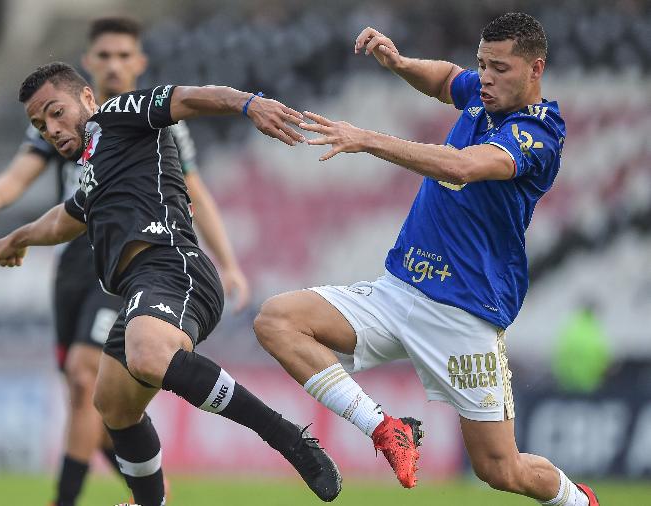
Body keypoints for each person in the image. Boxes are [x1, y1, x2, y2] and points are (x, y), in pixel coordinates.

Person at [253, 12, 601, 506]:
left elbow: (462, 166)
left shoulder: (537, 134)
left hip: (464, 313)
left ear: (535, 69)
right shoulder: (482, 96)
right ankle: (385, 428)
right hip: (397, 292)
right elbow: (443, 79)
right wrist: (398, 63)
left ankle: (578, 502)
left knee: (501, 469)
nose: (485, 77)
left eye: (499, 68)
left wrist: (368, 138)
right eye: (482, 64)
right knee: (277, 320)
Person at [0, 62, 342, 505]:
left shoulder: (116, 115)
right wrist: (16, 239)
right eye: (40, 125)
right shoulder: (95, 169)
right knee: (112, 405)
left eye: (56, 113)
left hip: (175, 267)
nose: (51, 129)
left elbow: (186, 98)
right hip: (140, 289)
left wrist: (248, 103)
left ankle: (287, 437)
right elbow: (64, 218)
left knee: (149, 354)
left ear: (86, 99)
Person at [0, 17, 249, 506]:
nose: (114, 65)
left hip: (122, 264)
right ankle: (152, 493)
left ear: (138, 62)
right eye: (104, 55)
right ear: (89, 63)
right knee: (91, 408)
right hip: (71, 265)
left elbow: (195, 193)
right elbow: (19, 176)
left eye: (124, 56)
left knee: (81, 377)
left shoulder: (156, 122)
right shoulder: (59, 122)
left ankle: (67, 499)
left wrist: (229, 262)